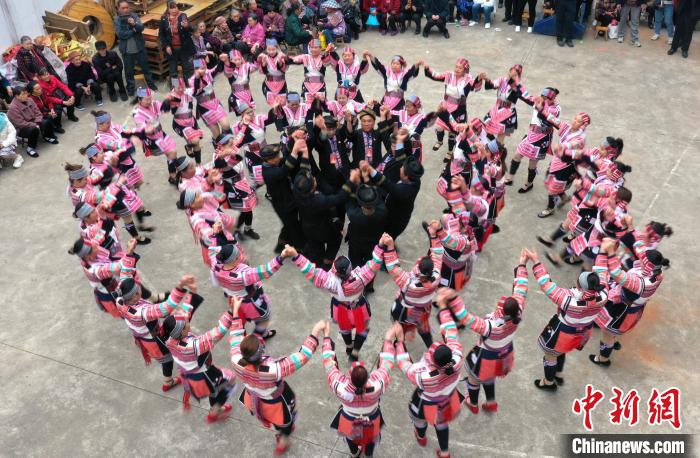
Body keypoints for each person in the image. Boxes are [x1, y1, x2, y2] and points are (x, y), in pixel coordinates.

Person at [229, 305, 325, 455]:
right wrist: (315, 333)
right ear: (261, 352)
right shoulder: (273, 370)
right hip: (276, 402)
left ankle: (280, 431)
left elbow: (235, 337)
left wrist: (236, 311)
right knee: (286, 420)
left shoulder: (236, 361)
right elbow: (302, 356)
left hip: (254, 398)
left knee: (274, 419)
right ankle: (283, 439)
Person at [288, 237, 386, 360]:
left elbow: (310, 271)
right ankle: (355, 351)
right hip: (358, 307)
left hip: (340, 308)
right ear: (350, 269)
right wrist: (380, 246)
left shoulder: (329, 281)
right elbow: (375, 263)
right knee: (363, 327)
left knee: (344, 328)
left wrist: (296, 256)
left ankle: (349, 346)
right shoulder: (361, 277)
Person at [396, 288, 465, 458]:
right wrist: (443, 307)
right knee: (441, 424)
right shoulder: (457, 359)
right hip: (447, 397)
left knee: (419, 420)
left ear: (433, 362)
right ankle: (445, 452)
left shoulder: (424, 376)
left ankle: (421, 436)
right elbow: (451, 332)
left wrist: (398, 342)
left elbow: (405, 365)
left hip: (426, 402)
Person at [530, 246, 609, 391]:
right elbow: (602, 272)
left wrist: (536, 261)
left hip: (563, 331)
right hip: (584, 330)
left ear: (579, 286)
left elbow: (546, 284)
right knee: (562, 351)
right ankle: (558, 374)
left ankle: (548, 382)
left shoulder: (570, 301)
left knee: (551, 355)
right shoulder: (603, 294)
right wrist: (604, 251)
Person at [462, 250, 528, 413]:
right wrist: (522, 264)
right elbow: (521, 287)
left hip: (486, 355)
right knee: (489, 376)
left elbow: (467, 319)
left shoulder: (490, 326)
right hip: (504, 352)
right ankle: (491, 402)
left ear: (502, 311)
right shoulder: (518, 312)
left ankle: (473, 402)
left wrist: (450, 302)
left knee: (474, 377)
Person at [322, 321, 397, 457]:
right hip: (371, 417)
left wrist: (326, 337)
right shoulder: (377, 385)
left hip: (349, 418)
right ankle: (368, 455)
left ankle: (355, 452)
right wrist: (388, 340)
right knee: (369, 439)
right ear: (369, 376)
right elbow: (387, 363)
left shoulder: (340, 387)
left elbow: (328, 364)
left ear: (348, 378)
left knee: (351, 437)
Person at [116, 272, 198, 392]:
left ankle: (138, 342)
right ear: (134, 296)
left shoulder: (119, 298)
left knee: (137, 330)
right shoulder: (142, 312)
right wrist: (180, 286)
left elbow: (125, 274)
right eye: (138, 290)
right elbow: (167, 307)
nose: (140, 289)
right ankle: (168, 382)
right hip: (152, 339)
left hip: (139, 330)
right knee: (167, 359)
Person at [591, 240, 668, 366]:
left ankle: (603, 359)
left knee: (607, 333)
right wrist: (630, 228)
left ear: (647, 265)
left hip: (622, 310)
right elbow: (639, 247)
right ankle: (613, 339)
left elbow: (616, 274)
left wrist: (609, 252)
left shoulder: (642, 284)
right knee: (611, 330)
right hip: (628, 305)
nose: (640, 259)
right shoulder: (657, 272)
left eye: (643, 260)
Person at [162, 296, 237, 423]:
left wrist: (192, 296)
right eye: (186, 324)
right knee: (230, 379)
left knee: (214, 389)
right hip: (203, 376)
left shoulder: (169, 339)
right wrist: (231, 312)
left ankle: (214, 408)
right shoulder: (192, 346)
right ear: (181, 333)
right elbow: (217, 333)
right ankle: (215, 410)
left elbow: (183, 315)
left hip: (189, 374)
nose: (188, 322)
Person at [210, 243, 295, 340]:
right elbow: (266, 270)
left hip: (234, 300)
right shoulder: (242, 275)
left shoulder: (215, 265)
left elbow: (211, 251)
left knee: (242, 320)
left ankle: (253, 335)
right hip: (251, 302)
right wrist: (282, 256)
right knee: (264, 318)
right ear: (234, 260)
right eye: (238, 256)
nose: (241, 256)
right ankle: (259, 337)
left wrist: (222, 250)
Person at [383, 227, 443, 347]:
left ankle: (398, 343)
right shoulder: (436, 277)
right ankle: (431, 346)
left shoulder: (408, 283)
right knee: (423, 327)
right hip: (423, 309)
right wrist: (433, 236)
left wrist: (390, 247)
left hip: (404, 309)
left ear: (418, 269)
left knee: (399, 325)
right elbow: (437, 255)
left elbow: (392, 267)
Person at [537, 111, 590, 218]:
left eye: (578, 121)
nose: (575, 121)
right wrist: (543, 110)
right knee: (549, 182)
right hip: (557, 160)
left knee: (553, 188)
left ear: (582, 125)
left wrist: (562, 146)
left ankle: (550, 208)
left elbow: (572, 144)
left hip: (566, 166)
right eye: (575, 118)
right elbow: (554, 120)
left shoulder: (580, 138)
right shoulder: (567, 127)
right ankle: (565, 198)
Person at [424, 58, 483, 154]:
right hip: (445, 105)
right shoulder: (449, 75)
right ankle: (439, 141)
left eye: (460, 68)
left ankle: (450, 151)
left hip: (458, 109)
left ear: (465, 69)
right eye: (456, 67)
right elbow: (436, 76)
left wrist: (479, 79)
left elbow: (476, 88)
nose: (457, 69)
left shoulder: (469, 79)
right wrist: (428, 68)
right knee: (439, 127)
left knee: (452, 132)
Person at [507, 87, 561, 193]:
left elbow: (546, 119)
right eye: (542, 96)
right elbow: (526, 96)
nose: (542, 99)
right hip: (531, 135)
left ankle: (529, 184)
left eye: (545, 98)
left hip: (542, 138)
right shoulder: (540, 102)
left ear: (551, 99)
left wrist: (540, 106)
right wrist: (517, 87)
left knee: (532, 164)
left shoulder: (556, 109)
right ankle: (510, 178)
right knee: (517, 155)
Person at [363, 154, 424, 241]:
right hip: (397, 210)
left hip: (394, 222)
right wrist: (399, 142)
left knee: (385, 239)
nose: (400, 168)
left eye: (402, 168)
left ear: (406, 176)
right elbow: (401, 157)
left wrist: (370, 169)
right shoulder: (415, 179)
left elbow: (385, 183)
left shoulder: (402, 191)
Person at [260, 143, 305, 251]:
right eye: (276, 157)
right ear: (268, 160)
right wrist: (294, 152)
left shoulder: (272, 164)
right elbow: (285, 170)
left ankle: (282, 243)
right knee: (294, 227)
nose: (279, 158)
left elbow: (284, 159)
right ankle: (300, 248)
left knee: (289, 224)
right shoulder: (269, 173)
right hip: (283, 205)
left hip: (287, 200)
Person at [115, 0, 157, 95]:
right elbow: (121, 34)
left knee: (146, 68)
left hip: (140, 48)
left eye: (127, 7)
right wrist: (133, 31)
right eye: (123, 8)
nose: (126, 10)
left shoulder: (134, 16)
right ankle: (130, 89)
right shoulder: (116, 19)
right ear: (119, 9)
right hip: (127, 51)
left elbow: (141, 28)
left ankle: (151, 85)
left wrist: (134, 24)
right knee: (129, 72)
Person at [7, 84, 57, 157]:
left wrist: (37, 121)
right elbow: (20, 123)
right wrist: (35, 125)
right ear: (17, 96)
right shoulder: (13, 108)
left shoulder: (29, 99)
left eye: (26, 93)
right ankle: (30, 148)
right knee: (33, 130)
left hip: (34, 121)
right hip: (22, 128)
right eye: (23, 94)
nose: (26, 95)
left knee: (46, 121)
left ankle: (47, 136)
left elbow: (38, 112)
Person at [160, 1, 195, 83]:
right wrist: (167, 46)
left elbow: (192, 29)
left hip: (184, 48)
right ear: (168, 9)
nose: (174, 10)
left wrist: (187, 26)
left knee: (187, 70)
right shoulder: (164, 18)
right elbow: (161, 34)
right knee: (173, 72)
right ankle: (175, 90)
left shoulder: (183, 15)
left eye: (175, 7)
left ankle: (190, 87)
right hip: (172, 49)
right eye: (171, 8)